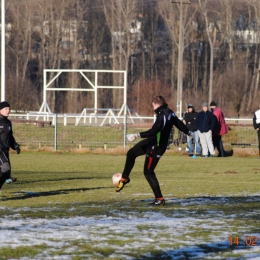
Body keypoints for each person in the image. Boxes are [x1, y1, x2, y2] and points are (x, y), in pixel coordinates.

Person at [116, 96, 191, 206]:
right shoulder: (169, 112)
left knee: (148, 172)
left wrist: (136, 135)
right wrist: (188, 132)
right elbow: (179, 123)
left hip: (157, 147)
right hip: (151, 142)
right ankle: (125, 178)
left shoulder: (162, 116)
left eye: (153, 106)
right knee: (131, 153)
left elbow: (153, 131)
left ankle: (159, 199)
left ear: (157, 105)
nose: (153, 108)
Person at [0, 101, 20, 196]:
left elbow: (10, 136)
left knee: (4, 172)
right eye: (6, 109)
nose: (8, 111)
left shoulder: (8, 123)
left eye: (9, 109)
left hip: (5, 150)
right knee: (6, 169)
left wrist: (15, 145)